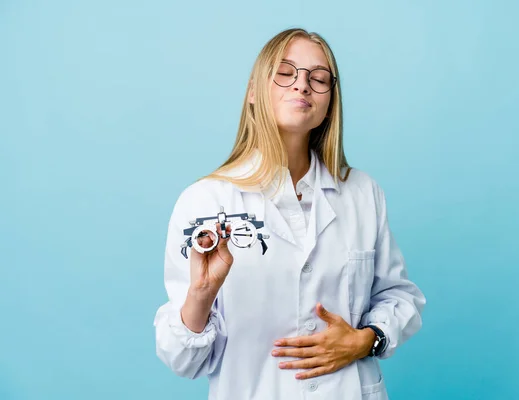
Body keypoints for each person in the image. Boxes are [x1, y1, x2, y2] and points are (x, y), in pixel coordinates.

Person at [153, 27, 426, 400]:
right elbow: (183, 360)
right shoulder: (206, 201)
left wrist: (366, 340)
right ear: (253, 91)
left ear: (331, 101)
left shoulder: (362, 193)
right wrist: (201, 294)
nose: (302, 86)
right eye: (285, 72)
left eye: (319, 78)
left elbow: (399, 296)